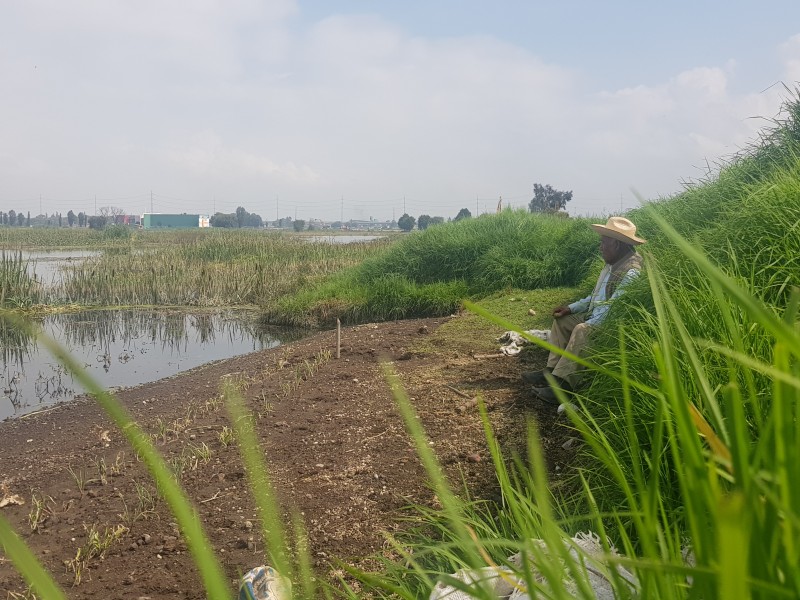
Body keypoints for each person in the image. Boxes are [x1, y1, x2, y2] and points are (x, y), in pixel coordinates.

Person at [524, 216, 646, 404]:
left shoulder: (631, 271)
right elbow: (596, 295)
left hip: (611, 326)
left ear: (617, 244)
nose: (601, 247)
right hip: (595, 314)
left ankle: (563, 387)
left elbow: (612, 310)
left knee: (582, 330)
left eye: (604, 242)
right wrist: (571, 308)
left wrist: (586, 325)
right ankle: (551, 372)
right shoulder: (612, 264)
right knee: (562, 321)